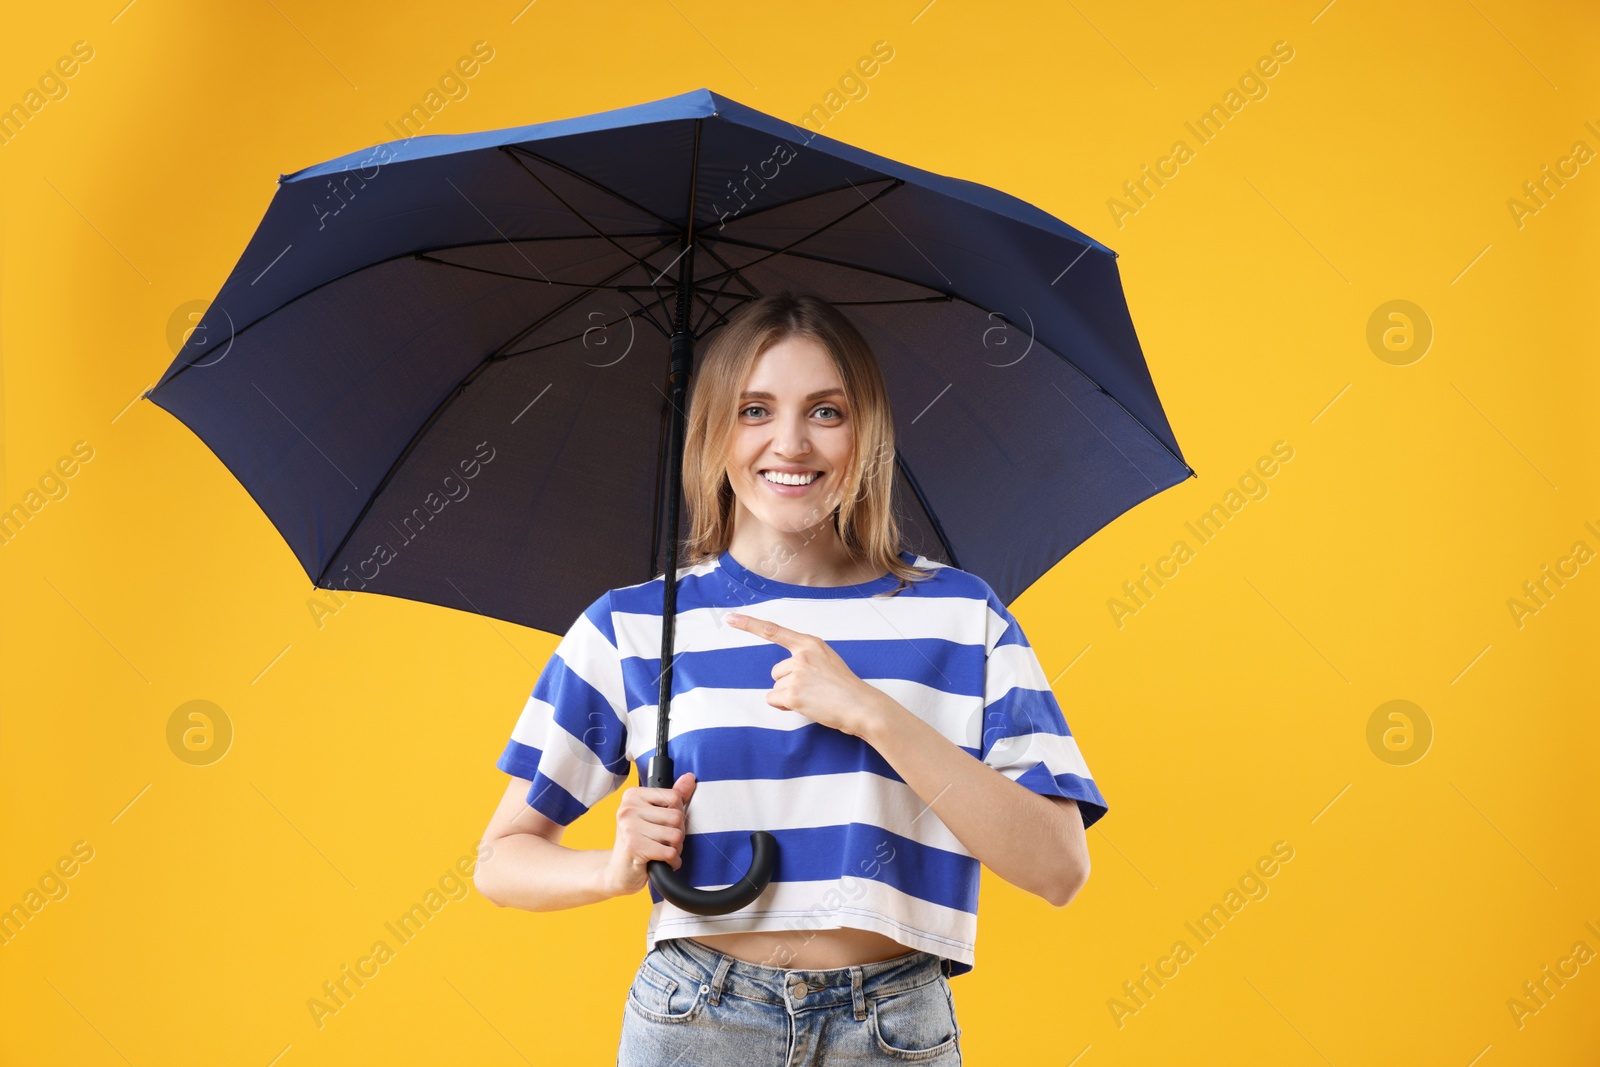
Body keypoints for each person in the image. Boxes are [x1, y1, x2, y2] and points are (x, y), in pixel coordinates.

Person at [474, 291, 1109, 1064]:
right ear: (710, 431)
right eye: (754, 409)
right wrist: (610, 870)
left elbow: (1057, 866)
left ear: (866, 431)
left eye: (827, 412)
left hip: (893, 1026)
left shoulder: (960, 615)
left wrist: (872, 712)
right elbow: (501, 857)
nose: (791, 441)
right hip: (695, 1017)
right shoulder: (636, 625)